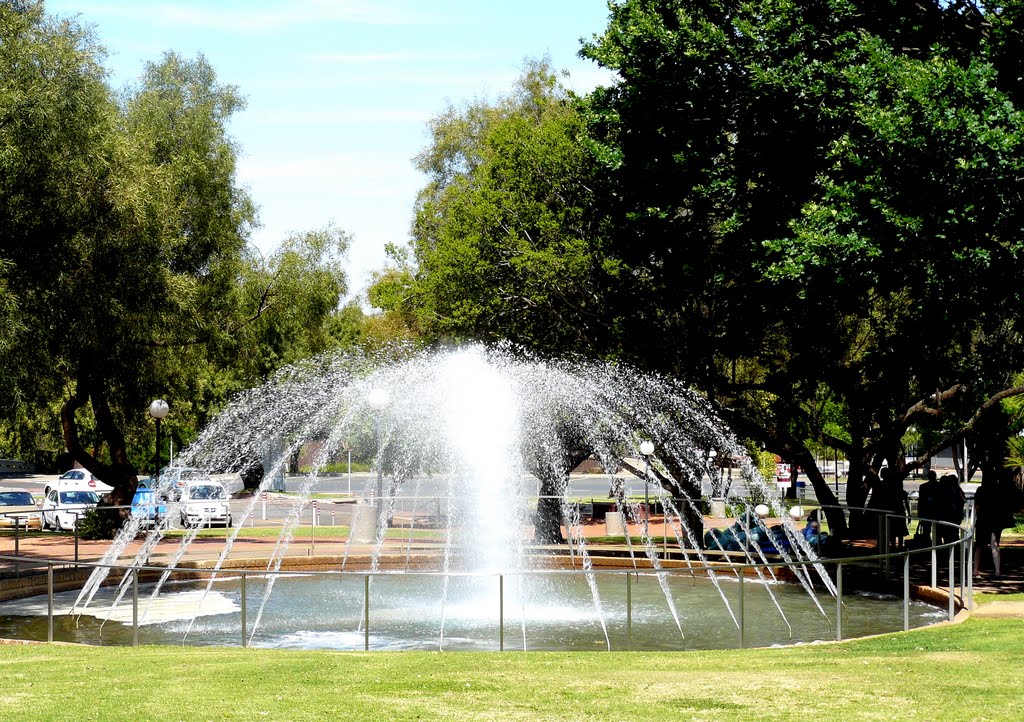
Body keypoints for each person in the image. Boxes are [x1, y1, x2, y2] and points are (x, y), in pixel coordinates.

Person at [973, 478, 1015, 578]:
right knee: (994, 545)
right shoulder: (999, 491)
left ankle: (975, 570)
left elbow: (977, 507)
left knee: (979, 546)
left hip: (982, 521)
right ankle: (997, 570)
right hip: (995, 521)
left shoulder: (980, 490)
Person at [938, 473, 966, 544]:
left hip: (951, 516)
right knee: (953, 533)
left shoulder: (951, 491)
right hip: (955, 516)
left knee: (950, 534)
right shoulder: (958, 490)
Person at [916, 470, 942, 543]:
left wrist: (920, 512)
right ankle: (931, 543)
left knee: (932, 531)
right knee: (929, 531)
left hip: (931, 512)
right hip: (930, 512)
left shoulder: (924, 487)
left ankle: (930, 543)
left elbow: (920, 501)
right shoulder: (939, 486)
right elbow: (921, 500)